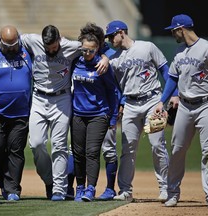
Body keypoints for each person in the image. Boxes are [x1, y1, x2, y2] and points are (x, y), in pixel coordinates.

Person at [0, 25, 109, 201]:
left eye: (54, 47)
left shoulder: (71, 46)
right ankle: (50, 180)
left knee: (59, 145)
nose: (51, 50)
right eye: (47, 47)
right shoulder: (32, 41)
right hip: (39, 98)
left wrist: (104, 57)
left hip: (61, 98)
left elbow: (95, 47)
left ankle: (58, 189)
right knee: (36, 144)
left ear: (59, 40)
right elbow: (10, 39)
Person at [105, 20, 179, 202]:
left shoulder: (147, 47)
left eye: (111, 35)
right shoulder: (113, 59)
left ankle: (165, 188)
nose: (109, 40)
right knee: (128, 149)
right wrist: (121, 103)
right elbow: (116, 87)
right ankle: (125, 191)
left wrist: (174, 94)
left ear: (121, 32)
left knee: (157, 145)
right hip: (130, 104)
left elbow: (166, 70)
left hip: (152, 101)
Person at [154, 14, 208, 208]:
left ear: (181, 29)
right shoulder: (179, 51)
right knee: (178, 149)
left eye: (173, 30)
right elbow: (172, 78)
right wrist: (161, 101)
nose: (172, 34)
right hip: (184, 106)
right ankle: (172, 193)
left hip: (207, 104)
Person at [71, 22, 120, 202]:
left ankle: (90, 189)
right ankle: (80, 187)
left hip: (98, 114)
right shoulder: (76, 61)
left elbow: (112, 92)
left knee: (92, 151)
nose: (87, 54)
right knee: (78, 153)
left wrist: (113, 117)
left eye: (91, 51)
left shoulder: (102, 65)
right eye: (84, 50)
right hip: (78, 114)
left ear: (98, 49)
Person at [0, 25, 32, 201]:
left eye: (14, 45)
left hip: (21, 113)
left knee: (16, 150)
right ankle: (1, 182)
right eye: (7, 45)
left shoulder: (27, 51)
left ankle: (12, 189)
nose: (11, 49)